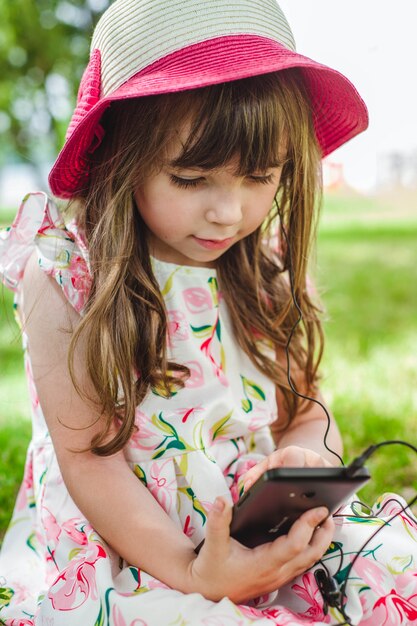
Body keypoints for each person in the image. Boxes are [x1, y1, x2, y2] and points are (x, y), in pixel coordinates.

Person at [1, 1, 417, 624]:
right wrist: (195, 571)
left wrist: (307, 461)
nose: (229, 212)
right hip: (134, 545)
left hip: (255, 530)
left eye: (260, 175)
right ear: (120, 155)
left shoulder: (265, 272)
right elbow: (89, 460)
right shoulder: (67, 276)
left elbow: (308, 414)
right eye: (192, 178)